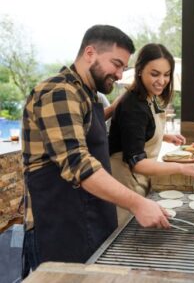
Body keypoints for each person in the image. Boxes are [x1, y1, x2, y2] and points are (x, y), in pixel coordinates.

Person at [21, 25, 170, 276]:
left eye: (123, 67)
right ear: (90, 53)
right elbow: (78, 163)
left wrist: (117, 105)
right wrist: (138, 204)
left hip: (85, 219)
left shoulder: (85, 92)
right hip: (57, 227)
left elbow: (91, 121)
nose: (121, 75)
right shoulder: (59, 92)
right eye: (117, 64)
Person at [108, 43, 194, 223]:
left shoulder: (149, 96)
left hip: (137, 180)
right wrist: (181, 168)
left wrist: (164, 136)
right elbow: (137, 164)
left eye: (166, 74)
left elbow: (139, 131)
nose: (162, 81)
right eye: (155, 74)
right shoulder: (133, 106)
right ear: (139, 71)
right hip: (124, 181)